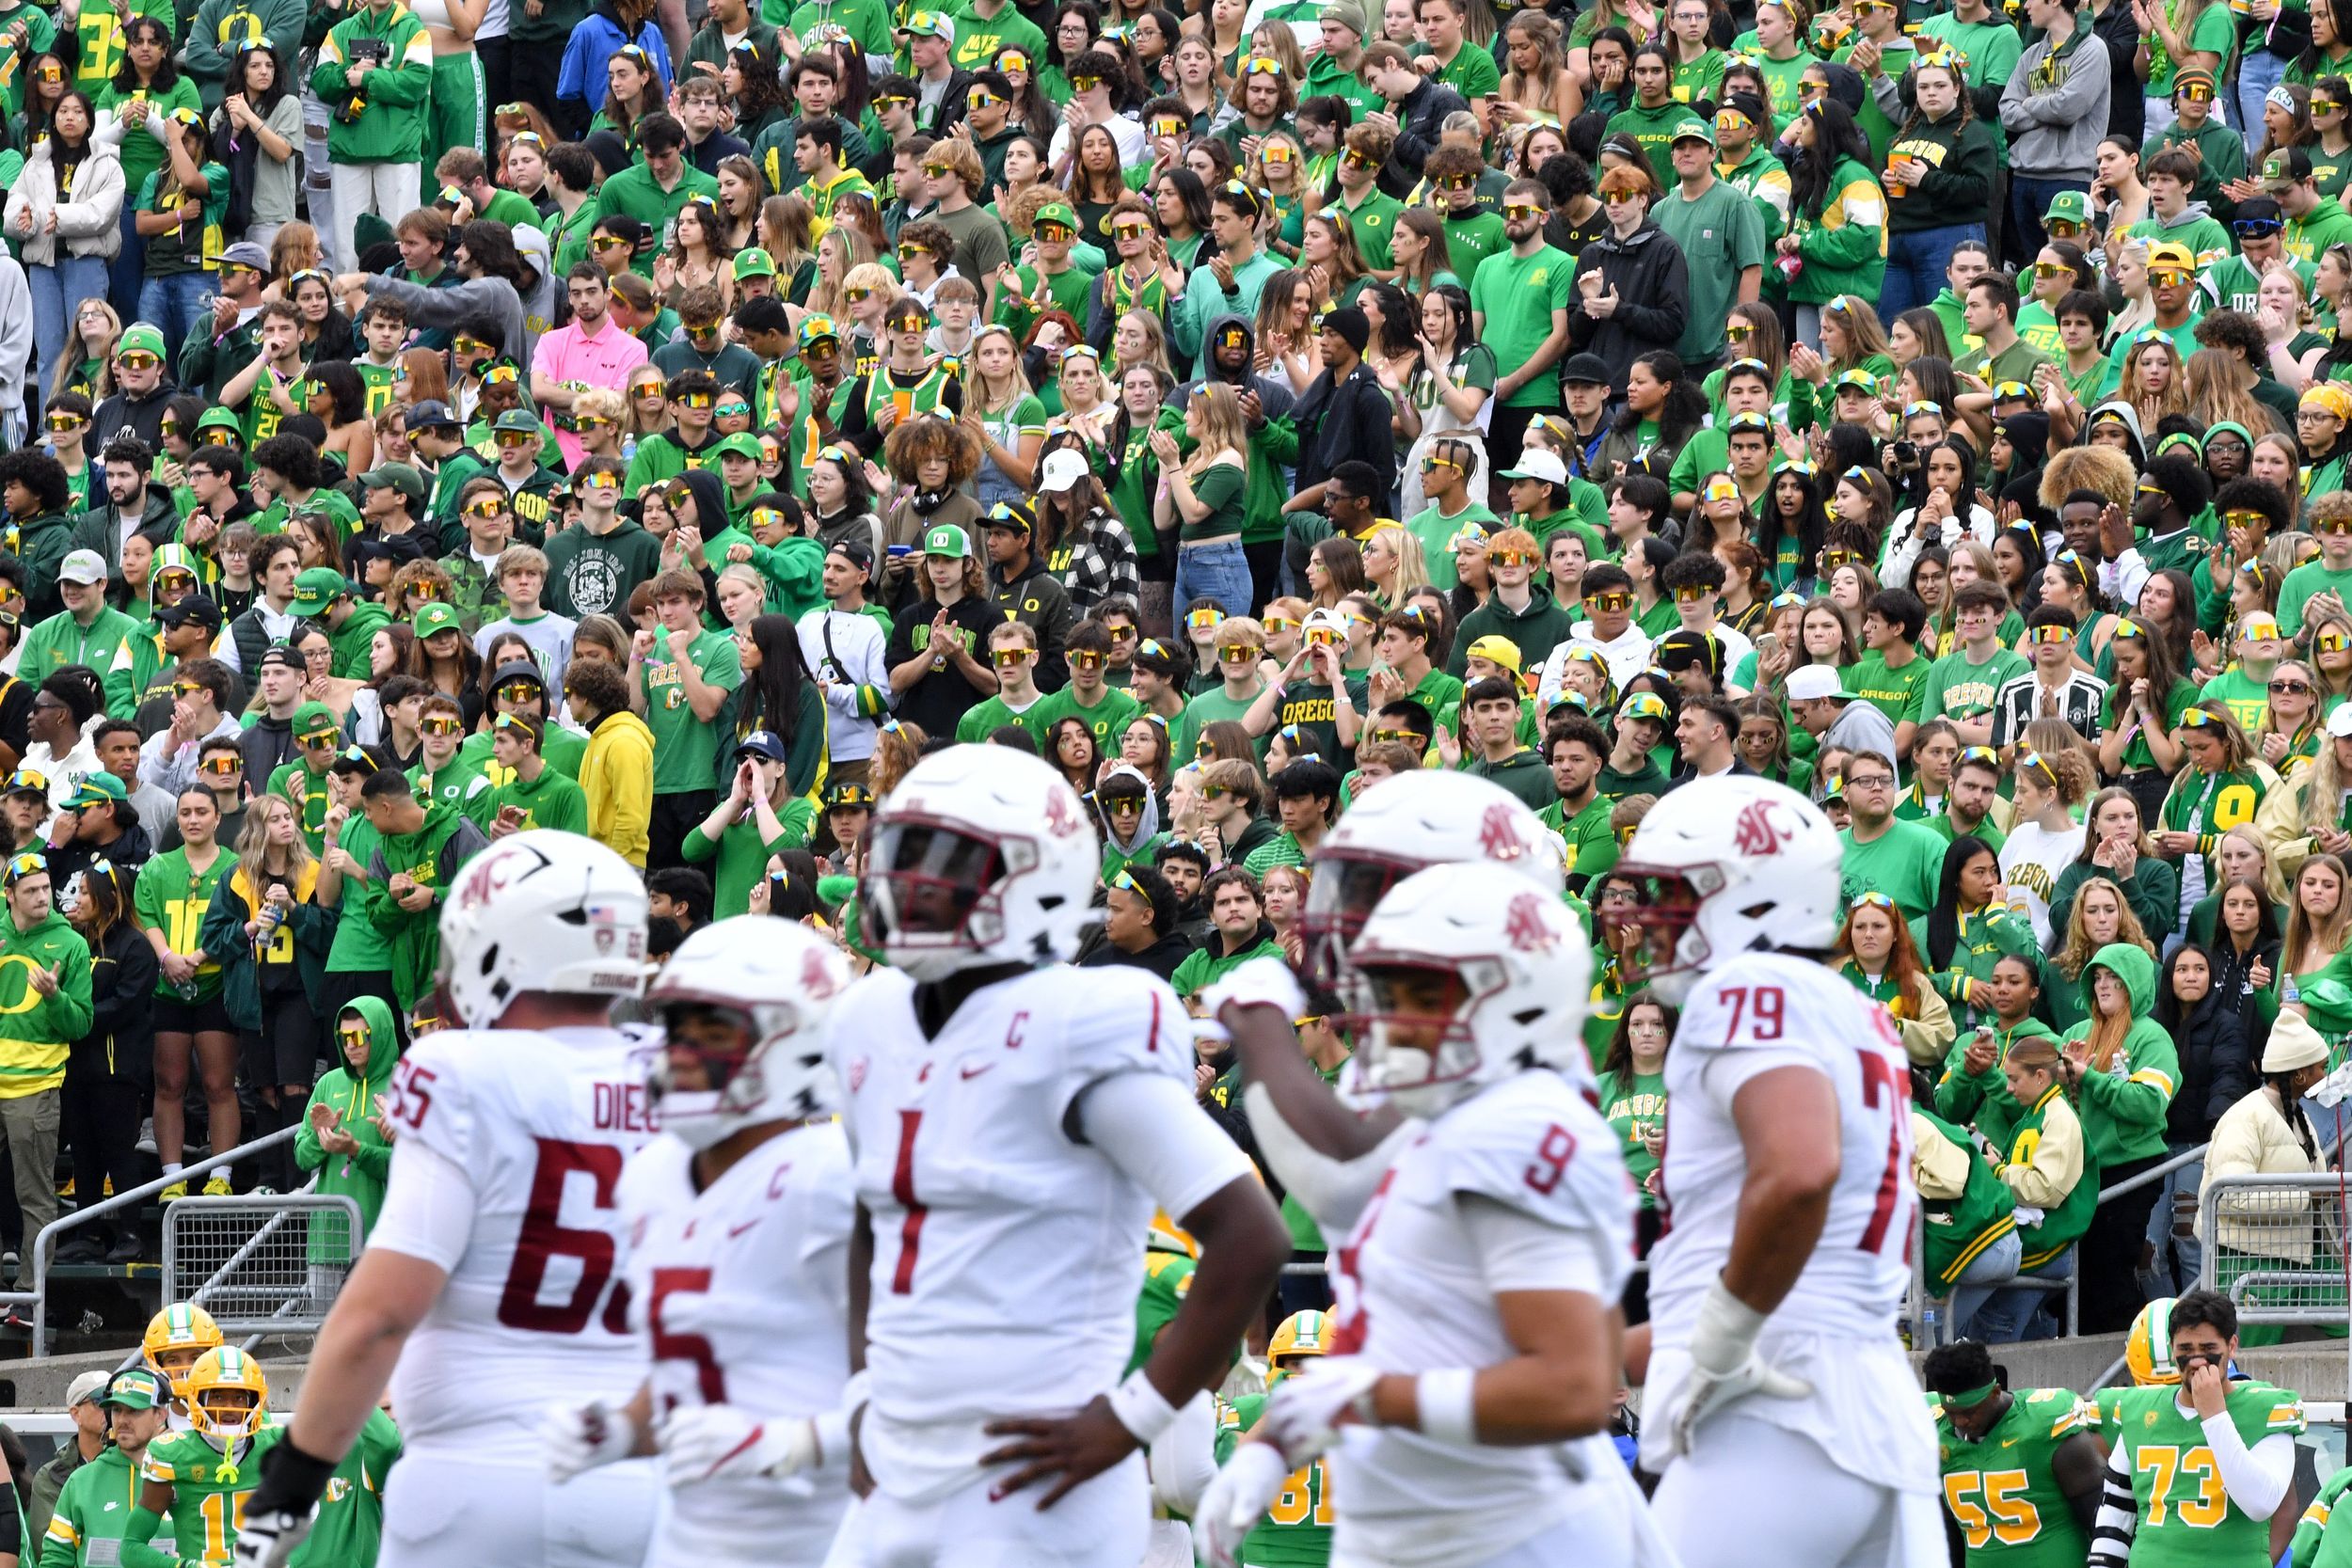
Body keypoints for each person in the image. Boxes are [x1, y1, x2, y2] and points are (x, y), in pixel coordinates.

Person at [820, 746, 1287, 1566]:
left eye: (945, 861)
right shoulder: (867, 1015)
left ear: (1033, 874)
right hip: (898, 1453)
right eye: (907, 852)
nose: (911, 881)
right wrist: (860, 1393)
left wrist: (1131, 1416)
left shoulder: (1082, 1017)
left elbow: (1249, 1233)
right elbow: (871, 1215)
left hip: (1036, 1473)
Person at [1195, 862, 1642, 1567]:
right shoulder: (1440, 1111)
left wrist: (1356, 1398)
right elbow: (1338, 1161)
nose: (1380, 1015)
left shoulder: (1522, 1131)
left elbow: (1572, 1385)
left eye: (1408, 990)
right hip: (1408, 1508)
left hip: (1505, 1518)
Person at [232, 832, 659, 1568]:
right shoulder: (674, 1075)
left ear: (502, 951)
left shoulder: (460, 1070)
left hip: (482, 1476)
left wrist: (293, 1481)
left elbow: (379, 1314)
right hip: (641, 1480)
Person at [1615, 776, 1940, 1567]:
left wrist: (1716, 1344)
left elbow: (1798, 1173)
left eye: (1667, 892)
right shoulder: (1847, 1007)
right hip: (1865, 1403)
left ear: (1741, 894)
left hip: (1776, 1412)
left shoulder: (1747, 984)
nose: (1640, 917)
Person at [546, 920, 857, 1565]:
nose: (684, 1053)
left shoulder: (834, 1175)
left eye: (714, 1032)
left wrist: (797, 1444)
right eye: (679, 1030)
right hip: (690, 1537)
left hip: (832, 1539)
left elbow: (931, 1391)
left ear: (796, 1037)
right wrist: (622, 1428)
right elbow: (688, 1373)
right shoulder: (653, 1177)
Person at [2088, 1289, 2303, 1566]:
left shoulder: (2266, 1408)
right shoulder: (2138, 1409)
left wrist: (2215, 1415)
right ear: (2171, 1348)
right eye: (2185, 1350)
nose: (2197, 1360)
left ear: (2232, 1346)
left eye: (2209, 1350)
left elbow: (2261, 1504)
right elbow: (2116, 1510)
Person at [1921, 1341, 2106, 1564]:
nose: (1961, 1422)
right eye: (1951, 1413)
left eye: (1970, 1411)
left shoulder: (2043, 1424)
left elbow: (2101, 1517)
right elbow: (1946, 1528)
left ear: (1995, 1393)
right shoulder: (1937, 1431)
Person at [40, 1368, 177, 1568]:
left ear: (160, 1415)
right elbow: (55, 1559)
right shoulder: (81, 1481)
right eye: (116, 1410)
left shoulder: (183, 1477)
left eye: (134, 1411)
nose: (122, 1420)